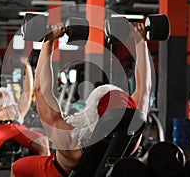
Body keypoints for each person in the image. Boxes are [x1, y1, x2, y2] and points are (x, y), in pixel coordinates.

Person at [11, 21, 151, 176]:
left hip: (56, 173)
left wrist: (49, 41)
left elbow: (41, 91)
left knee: (17, 167)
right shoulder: (130, 140)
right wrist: (140, 40)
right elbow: (144, 90)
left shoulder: (72, 143)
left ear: (93, 112)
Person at [0, 56, 50, 167]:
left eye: (5, 93)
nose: (3, 94)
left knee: (43, 141)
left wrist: (27, 66)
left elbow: (28, 90)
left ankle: (45, 173)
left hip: (19, 129)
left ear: (11, 97)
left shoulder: (17, 108)